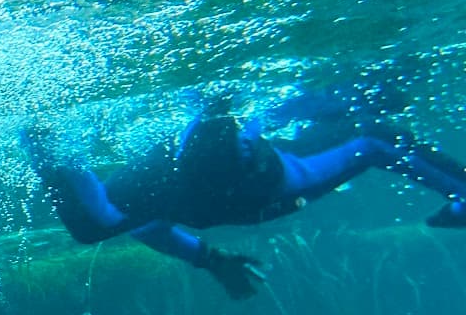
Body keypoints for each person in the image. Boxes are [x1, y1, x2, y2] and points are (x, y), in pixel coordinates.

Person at [24, 101, 466, 299]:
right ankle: (43, 134)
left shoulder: (171, 191)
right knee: (93, 222)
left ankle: (41, 132)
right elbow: (377, 142)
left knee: (92, 223)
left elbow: (125, 220)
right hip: (239, 180)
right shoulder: (286, 178)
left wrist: (208, 259)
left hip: (210, 180)